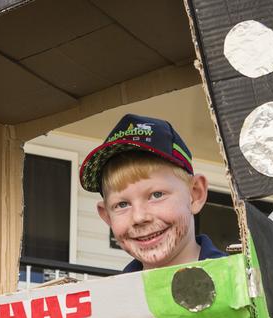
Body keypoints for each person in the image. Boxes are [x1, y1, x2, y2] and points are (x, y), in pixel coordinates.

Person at [79, 114, 225, 273]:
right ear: (107, 216)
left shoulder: (242, 283)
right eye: (122, 204)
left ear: (195, 194)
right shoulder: (111, 295)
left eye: (156, 195)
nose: (139, 217)